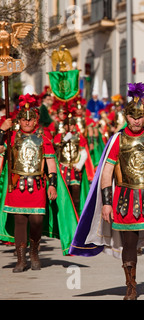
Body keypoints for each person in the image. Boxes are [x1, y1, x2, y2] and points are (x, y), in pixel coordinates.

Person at [69, 82, 144, 300]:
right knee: (129, 244)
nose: (137, 120)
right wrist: (106, 202)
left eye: (140, 116)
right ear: (126, 116)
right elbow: (106, 172)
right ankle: (130, 285)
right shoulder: (117, 139)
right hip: (126, 199)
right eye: (133, 116)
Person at [0, 94, 78, 272]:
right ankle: (21, 259)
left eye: (31, 119)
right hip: (16, 185)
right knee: (20, 220)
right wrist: (2, 130)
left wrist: (52, 184)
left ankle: (34, 252)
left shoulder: (44, 139)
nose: (27, 122)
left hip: (37, 186)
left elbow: (51, 165)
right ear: (18, 121)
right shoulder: (11, 137)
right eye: (24, 119)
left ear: (36, 121)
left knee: (36, 221)